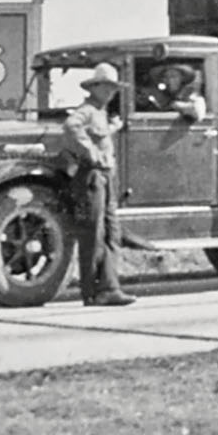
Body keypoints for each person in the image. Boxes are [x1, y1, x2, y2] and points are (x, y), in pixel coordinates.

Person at [59, 62, 136, 307]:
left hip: (105, 176)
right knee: (94, 234)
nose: (112, 92)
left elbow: (100, 134)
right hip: (92, 175)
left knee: (111, 232)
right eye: (107, 87)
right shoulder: (88, 110)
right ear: (95, 87)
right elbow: (71, 126)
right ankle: (93, 291)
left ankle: (110, 287)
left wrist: (113, 128)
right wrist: (89, 150)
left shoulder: (101, 112)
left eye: (114, 88)